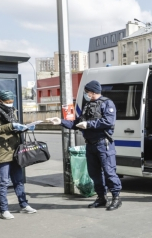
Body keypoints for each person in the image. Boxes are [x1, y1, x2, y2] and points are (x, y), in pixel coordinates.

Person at [47, 80, 122, 211]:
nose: (86, 94)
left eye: (87, 92)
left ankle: (116, 198)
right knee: (94, 174)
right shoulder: (88, 105)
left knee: (109, 172)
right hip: (91, 145)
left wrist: (89, 125)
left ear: (92, 92)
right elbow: (77, 122)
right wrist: (60, 121)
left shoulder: (107, 103)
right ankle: (102, 198)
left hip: (103, 144)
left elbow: (108, 121)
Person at [0, 90, 37, 219]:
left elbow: (13, 129)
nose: (10, 103)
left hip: (15, 150)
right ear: (0, 101)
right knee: (3, 182)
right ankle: (4, 210)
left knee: (18, 181)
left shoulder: (12, 110)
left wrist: (24, 128)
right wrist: (10, 126)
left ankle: (24, 204)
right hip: (0, 151)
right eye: (8, 102)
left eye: (11, 101)